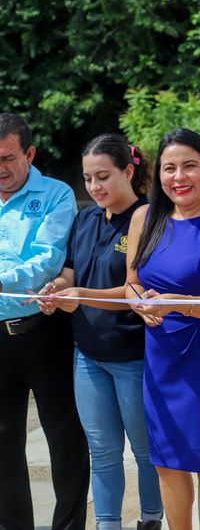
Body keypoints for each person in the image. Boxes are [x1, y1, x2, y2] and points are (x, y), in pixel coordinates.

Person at [33, 134, 163, 530]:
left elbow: (133, 290)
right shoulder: (86, 218)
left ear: (129, 171)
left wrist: (81, 295)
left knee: (144, 450)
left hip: (134, 355)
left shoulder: (149, 219)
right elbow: (71, 271)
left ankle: (151, 518)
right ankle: (108, 524)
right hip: (87, 354)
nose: (95, 187)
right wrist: (56, 288)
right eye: (88, 179)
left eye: (103, 177)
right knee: (102, 451)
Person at [125, 128, 200, 530]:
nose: (179, 177)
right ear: (158, 174)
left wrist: (174, 303)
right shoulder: (144, 217)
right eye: (170, 168)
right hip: (159, 361)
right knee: (167, 463)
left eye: (189, 167)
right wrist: (138, 304)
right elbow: (132, 281)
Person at [0, 113, 89, 530]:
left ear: (29, 153)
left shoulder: (56, 195)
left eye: (7, 158)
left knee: (65, 440)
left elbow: (47, 261)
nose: (0, 168)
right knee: (3, 446)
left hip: (45, 331)